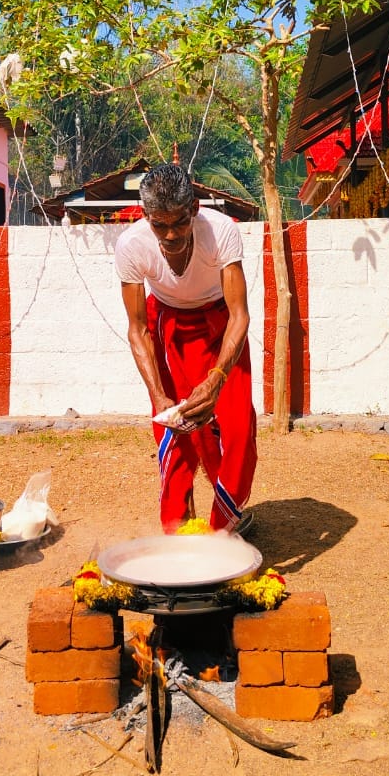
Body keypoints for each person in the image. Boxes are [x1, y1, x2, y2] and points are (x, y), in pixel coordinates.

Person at [114, 163, 257, 533]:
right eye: (159, 225)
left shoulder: (221, 231)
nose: (171, 234)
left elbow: (240, 315)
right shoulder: (131, 245)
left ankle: (223, 527)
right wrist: (159, 396)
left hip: (221, 325)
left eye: (179, 222)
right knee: (173, 427)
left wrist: (217, 378)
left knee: (238, 428)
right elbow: (138, 329)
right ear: (146, 216)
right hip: (167, 325)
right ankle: (176, 526)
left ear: (194, 208)